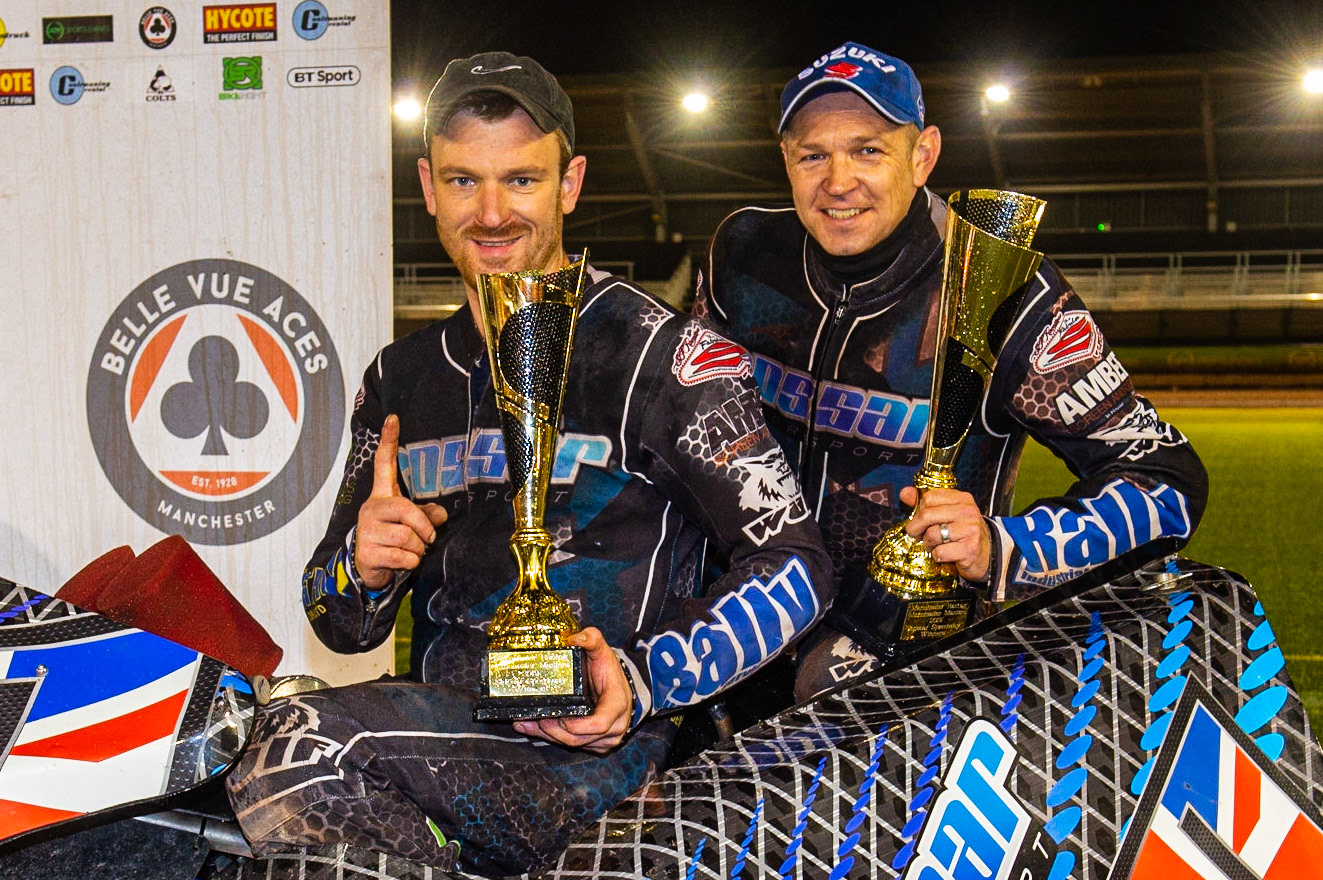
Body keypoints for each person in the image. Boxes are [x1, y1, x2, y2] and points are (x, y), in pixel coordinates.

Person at [224, 52, 832, 876]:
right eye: (464, 180)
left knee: (301, 749)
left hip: (604, 754)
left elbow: (795, 567)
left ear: (569, 184)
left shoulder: (666, 356)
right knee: (246, 741)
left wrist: (640, 678)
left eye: (520, 179)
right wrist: (360, 570)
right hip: (446, 725)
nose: (492, 212)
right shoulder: (401, 376)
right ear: (428, 187)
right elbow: (339, 621)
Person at [694, 41, 1208, 700]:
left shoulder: (1005, 287)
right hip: (746, 632)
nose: (837, 181)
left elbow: (1163, 481)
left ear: (923, 154)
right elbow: (693, 431)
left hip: (908, 663)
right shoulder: (741, 253)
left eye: (868, 149)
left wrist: (1004, 548)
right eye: (812, 154)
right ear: (786, 162)